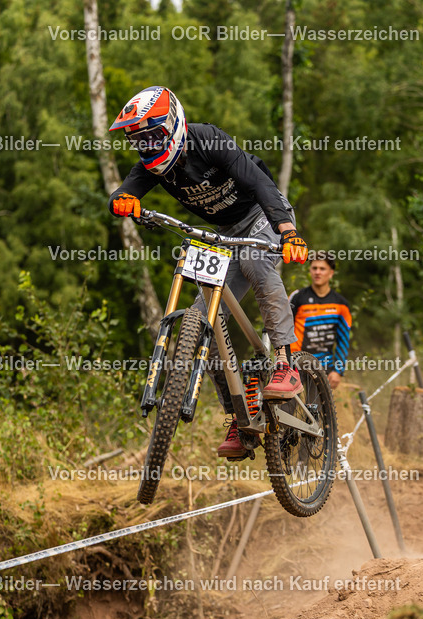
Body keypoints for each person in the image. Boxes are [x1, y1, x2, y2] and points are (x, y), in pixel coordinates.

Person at [106, 86, 308, 459]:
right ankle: (241, 418)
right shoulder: (152, 164)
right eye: (140, 140)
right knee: (203, 319)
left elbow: (262, 183)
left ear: (173, 125)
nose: (148, 145)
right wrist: (122, 199)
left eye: (153, 135)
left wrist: (288, 231)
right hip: (224, 237)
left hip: (263, 217)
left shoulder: (209, 140)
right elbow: (125, 190)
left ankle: (285, 362)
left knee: (254, 262)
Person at [289, 252, 352, 390]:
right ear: (310, 270)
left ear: (331, 273)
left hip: (323, 367)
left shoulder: (341, 304)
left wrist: (338, 371)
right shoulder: (297, 298)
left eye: (322, 269)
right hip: (295, 363)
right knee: (285, 409)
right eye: (314, 268)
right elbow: (283, 329)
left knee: (315, 410)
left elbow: (343, 340)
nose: (317, 272)